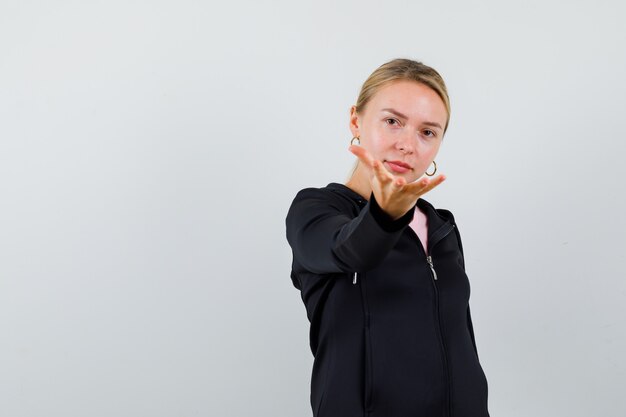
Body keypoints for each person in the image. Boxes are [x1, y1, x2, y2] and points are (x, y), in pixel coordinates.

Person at [285, 58, 490, 417]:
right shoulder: (315, 211)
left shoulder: (441, 227)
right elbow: (348, 251)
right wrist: (384, 214)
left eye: (428, 132)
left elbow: (462, 346)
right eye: (393, 121)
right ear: (356, 121)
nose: (407, 145)